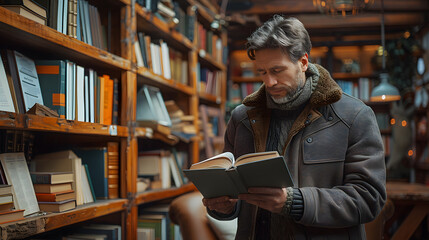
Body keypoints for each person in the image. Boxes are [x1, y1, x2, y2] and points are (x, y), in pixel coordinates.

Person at [202, 15, 386, 239]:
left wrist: (295, 202)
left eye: (277, 70)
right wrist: (223, 207)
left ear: (303, 62)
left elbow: (369, 198)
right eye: (262, 72)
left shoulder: (354, 116)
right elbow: (236, 195)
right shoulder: (242, 118)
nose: (269, 82)